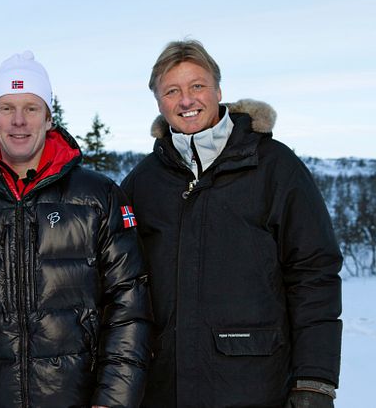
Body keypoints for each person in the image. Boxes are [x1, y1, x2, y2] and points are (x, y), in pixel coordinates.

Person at [122, 39, 343, 408]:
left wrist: (315, 380)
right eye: (172, 91)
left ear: (218, 90)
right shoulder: (144, 180)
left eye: (197, 86)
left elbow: (314, 273)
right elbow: (120, 283)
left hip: (256, 385)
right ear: (159, 102)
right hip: (164, 388)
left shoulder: (273, 166)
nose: (187, 100)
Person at [0, 51, 153, 408]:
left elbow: (128, 309)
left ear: (49, 117)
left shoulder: (98, 198)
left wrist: (113, 401)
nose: (19, 121)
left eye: (31, 108)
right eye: (7, 108)